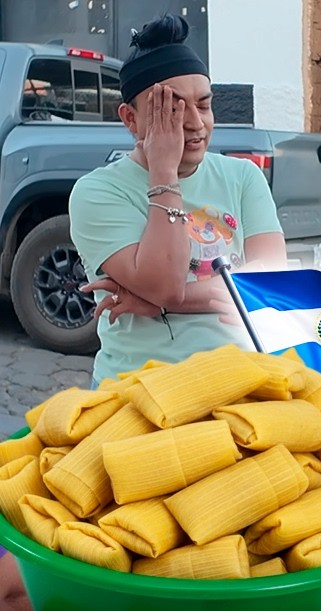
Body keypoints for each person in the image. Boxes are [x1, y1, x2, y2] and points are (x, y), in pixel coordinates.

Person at [68, 14, 286, 387]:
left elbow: (270, 288)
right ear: (130, 119)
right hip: (137, 388)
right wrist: (164, 174)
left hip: (240, 381)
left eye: (203, 105)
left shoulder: (243, 177)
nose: (195, 124)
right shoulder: (98, 192)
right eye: (172, 109)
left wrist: (156, 301)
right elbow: (166, 284)